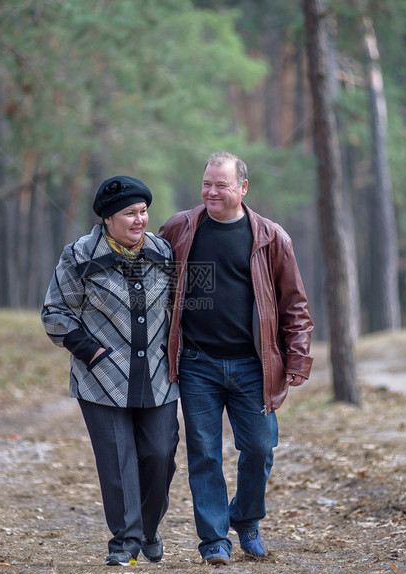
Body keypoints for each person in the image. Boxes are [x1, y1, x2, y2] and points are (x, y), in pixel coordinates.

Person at [159, 151, 313, 566]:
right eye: (206, 183)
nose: (211, 191)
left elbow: (294, 304)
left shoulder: (270, 237)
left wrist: (298, 359)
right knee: (204, 453)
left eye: (221, 185)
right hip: (197, 364)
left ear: (242, 188)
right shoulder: (180, 228)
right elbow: (153, 286)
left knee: (261, 447)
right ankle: (213, 541)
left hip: (253, 365)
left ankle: (245, 519)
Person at [41, 175, 179, 566]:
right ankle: (125, 543)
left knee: (160, 455)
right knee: (117, 462)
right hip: (102, 377)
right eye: (130, 214)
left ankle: (149, 528)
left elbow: (182, 306)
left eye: (143, 212)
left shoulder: (163, 253)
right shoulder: (78, 256)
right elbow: (54, 312)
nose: (140, 220)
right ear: (107, 219)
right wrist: (91, 352)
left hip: (156, 375)